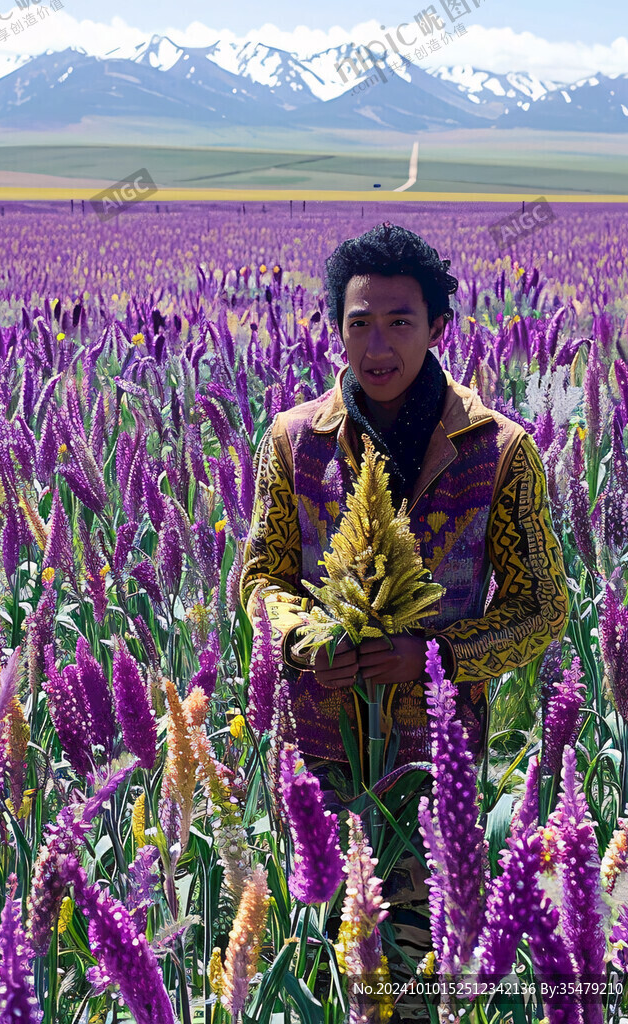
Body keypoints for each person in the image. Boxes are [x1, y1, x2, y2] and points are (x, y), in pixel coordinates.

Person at [239, 222, 570, 1020]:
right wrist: (303, 637)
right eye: (360, 322)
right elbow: (260, 577)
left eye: (400, 322)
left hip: (433, 771)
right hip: (317, 760)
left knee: (415, 985)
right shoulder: (293, 443)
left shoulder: (498, 451)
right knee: (324, 971)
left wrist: (433, 655)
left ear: (439, 329)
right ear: (335, 329)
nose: (377, 344)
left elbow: (543, 610)